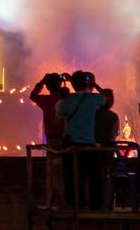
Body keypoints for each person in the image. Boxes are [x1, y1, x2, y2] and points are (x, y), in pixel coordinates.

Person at [57, 71, 106, 210]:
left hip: (70, 144)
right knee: (94, 177)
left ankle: (74, 205)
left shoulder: (67, 101)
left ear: (73, 85)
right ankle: (95, 206)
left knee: (71, 176)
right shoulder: (93, 99)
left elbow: (59, 112)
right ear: (87, 83)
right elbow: (105, 98)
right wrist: (94, 84)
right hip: (88, 144)